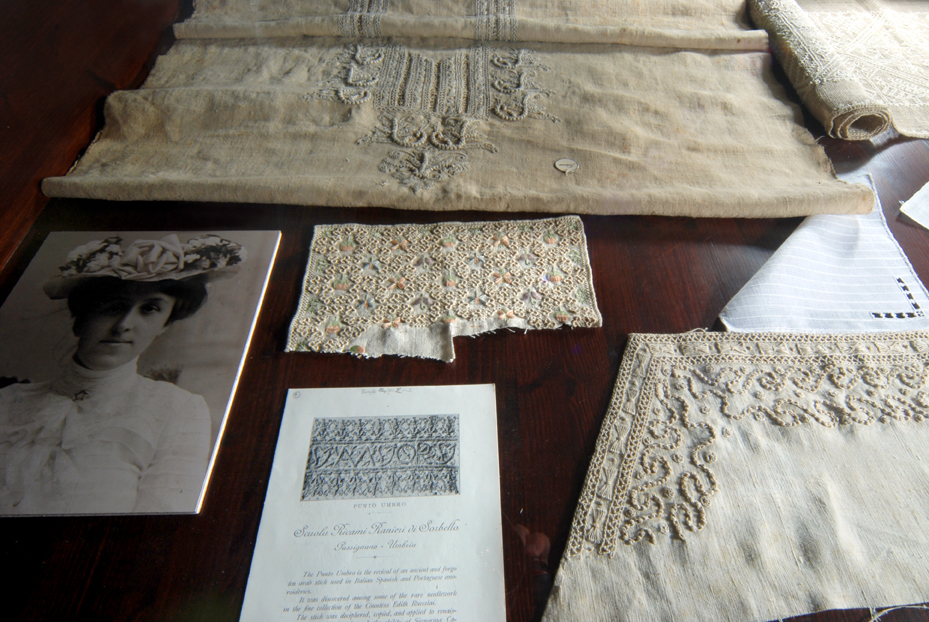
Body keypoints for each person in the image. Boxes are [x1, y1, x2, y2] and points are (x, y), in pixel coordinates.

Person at [0, 233, 245, 515]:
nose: (124, 325)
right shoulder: (8, 400)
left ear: (164, 326)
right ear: (81, 317)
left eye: (150, 309)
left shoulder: (178, 409)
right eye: (113, 306)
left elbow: (161, 517)